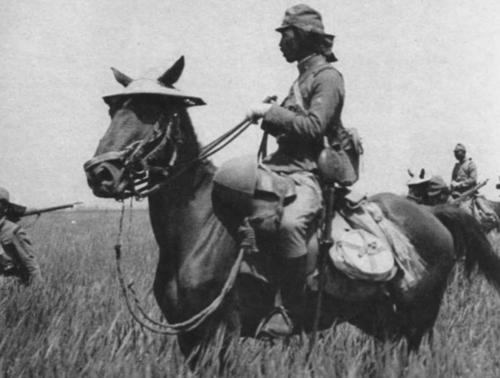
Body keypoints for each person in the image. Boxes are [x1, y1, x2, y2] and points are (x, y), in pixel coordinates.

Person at [245, 4, 346, 337]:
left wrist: (271, 113)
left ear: (303, 37)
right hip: (282, 168)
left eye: (285, 35)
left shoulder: (328, 78)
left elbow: (314, 128)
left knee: (289, 224)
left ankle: (289, 309)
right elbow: (292, 129)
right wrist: (271, 116)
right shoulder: (302, 78)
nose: (280, 42)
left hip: (307, 174)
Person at [0, 187, 43, 285]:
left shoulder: (14, 231)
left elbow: (31, 264)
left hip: (13, 277)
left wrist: (39, 290)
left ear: (4, 207)